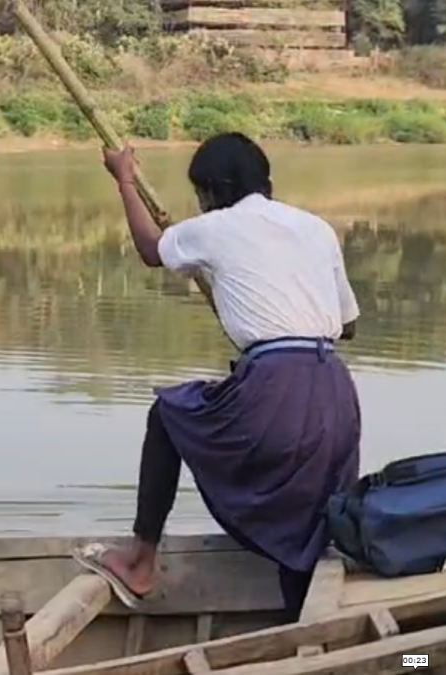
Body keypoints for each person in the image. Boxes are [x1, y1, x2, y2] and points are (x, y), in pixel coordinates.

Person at [74, 132, 362, 622]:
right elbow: (348, 325)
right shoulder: (315, 228)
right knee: (311, 525)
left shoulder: (218, 226)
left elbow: (150, 248)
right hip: (334, 395)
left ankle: (141, 561)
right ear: (266, 182)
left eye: (200, 197)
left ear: (210, 193)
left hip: (278, 389)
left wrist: (125, 180)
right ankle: (312, 637)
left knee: (169, 414)